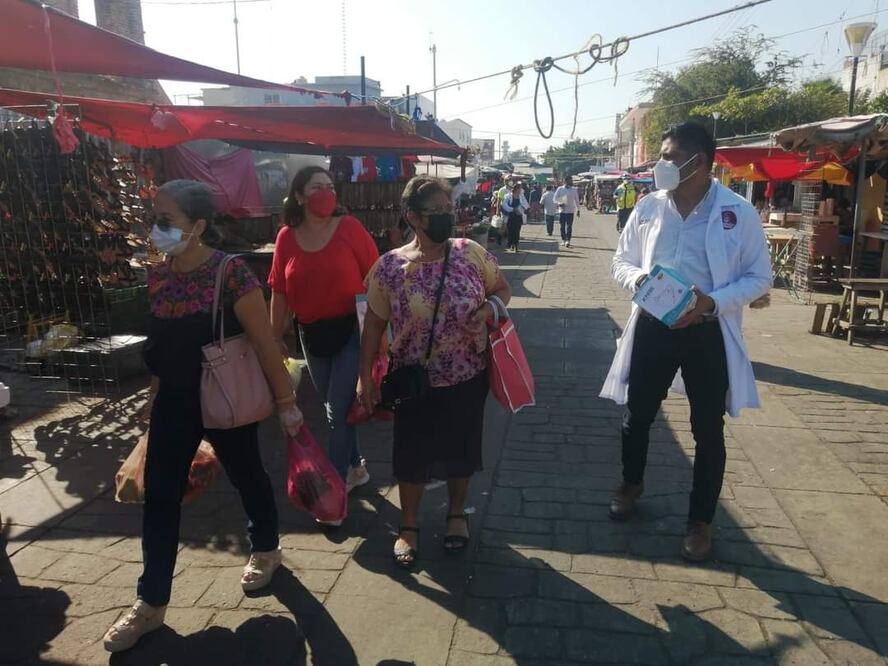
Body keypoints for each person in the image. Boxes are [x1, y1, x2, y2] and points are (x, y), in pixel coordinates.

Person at [103, 180, 303, 653]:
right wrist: (153, 395)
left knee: (247, 474)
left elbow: (264, 344)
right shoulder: (158, 275)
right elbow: (163, 346)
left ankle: (267, 547)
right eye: (154, 218)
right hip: (175, 403)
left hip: (225, 398)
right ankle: (151, 603)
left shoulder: (231, 274)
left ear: (198, 226)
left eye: (165, 220)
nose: (156, 229)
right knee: (160, 498)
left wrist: (287, 405)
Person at [600, 123, 771, 563]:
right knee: (637, 414)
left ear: (700, 161)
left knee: (707, 430)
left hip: (707, 332)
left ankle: (701, 521)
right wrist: (641, 280)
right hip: (654, 327)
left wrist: (711, 303)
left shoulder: (737, 212)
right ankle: (631, 484)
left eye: (671, 156)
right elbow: (621, 260)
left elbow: (759, 278)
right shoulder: (648, 207)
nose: (663, 164)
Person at [357, 175, 512, 568]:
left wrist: (489, 310)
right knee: (411, 454)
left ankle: (456, 515)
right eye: (437, 211)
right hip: (413, 381)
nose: (447, 215)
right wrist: (364, 377)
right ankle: (408, 525)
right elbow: (373, 326)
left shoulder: (471, 252)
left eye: (448, 208)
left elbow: (502, 289)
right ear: (412, 216)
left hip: (467, 375)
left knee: (462, 450)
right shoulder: (389, 267)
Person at [269, 166, 380, 522]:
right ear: (299, 196)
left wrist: (383, 333)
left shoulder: (349, 228)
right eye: (317, 187)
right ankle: (356, 468)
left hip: (352, 331)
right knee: (339, 407)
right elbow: (280, 291)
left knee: (336, 411)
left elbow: (377, 276)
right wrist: (275, 336)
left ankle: (331, 492)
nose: (326, 192)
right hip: (310, 335)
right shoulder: (287, 236)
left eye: (330, 186)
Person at [501, 183, 529, 252]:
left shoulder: (521, 196)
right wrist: (512, 209)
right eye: (519, 188)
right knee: (511, 231)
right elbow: (504, 205)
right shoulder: (508, 196)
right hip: (510, 216)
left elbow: (526, 204)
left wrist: (523, 208)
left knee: (517, 230)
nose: (520, 190)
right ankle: (511, 244)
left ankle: (516, 245)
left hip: (518, 216)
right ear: (516, 189)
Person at [554, 176, 580, 247]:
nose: (571, 182)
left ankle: (568, 240)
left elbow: (577, 200)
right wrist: (559, 203)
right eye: (570, 181)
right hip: (562, 211)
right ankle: (563, 239)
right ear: (566, 181)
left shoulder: (574, 190)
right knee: (562, 226)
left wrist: (578, 209)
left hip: (570, 211)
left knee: (569, 226)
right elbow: (555, 198)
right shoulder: (560, 189)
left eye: (571, 181)